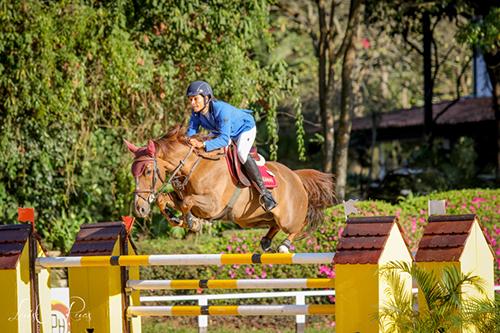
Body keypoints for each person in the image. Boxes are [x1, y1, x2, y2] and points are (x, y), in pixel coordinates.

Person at [185, 80, 277, 211]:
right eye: (190, 99)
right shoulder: (196, 113)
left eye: (195, 99)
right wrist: (189, 141)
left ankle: (265, 194)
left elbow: (223, 140)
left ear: (206, 98)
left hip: (244, 129)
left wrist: (203, 144)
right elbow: (191, 134)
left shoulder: (222, 110)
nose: (192, 103)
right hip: (221, 131)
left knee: (241, 153)